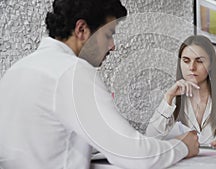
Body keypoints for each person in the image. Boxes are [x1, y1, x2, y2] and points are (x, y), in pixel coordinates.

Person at [0, 1, 200, 169]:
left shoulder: (16, 70)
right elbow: (134, 154)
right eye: (108, 34)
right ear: (82, 30)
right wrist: (182, 146)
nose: (113, 45)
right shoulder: (72, 71)